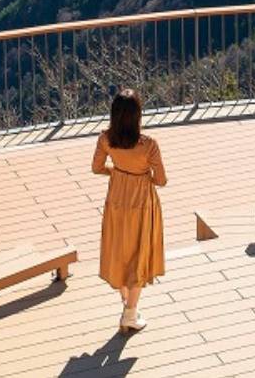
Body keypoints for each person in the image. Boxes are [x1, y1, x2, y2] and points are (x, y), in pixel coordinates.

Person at [91, 87, 166, 332]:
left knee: (119, 250)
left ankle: (126, 303)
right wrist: (144, 178)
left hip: (116, 198)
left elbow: (97, 167)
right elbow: (162, 180)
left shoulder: (105, 139)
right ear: (137, 116)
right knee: (139, 254)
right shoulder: (149, 145)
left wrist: (116, 172)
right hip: (142, 201)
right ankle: (130, 314)